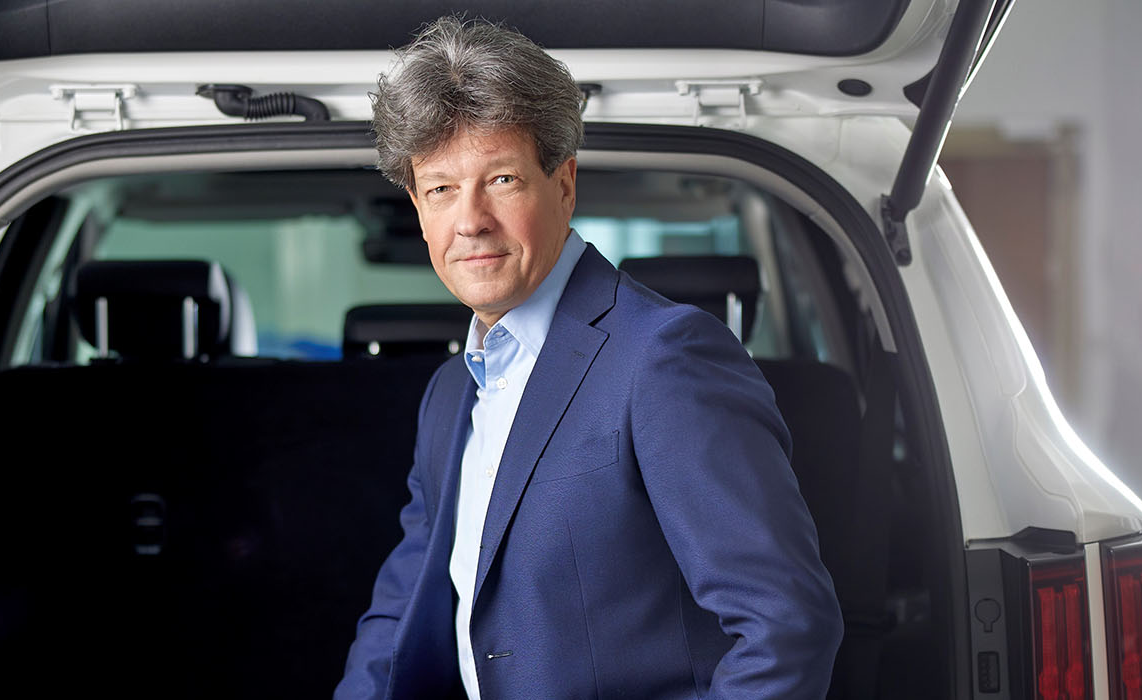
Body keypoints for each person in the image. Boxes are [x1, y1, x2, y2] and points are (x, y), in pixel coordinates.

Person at [334, 16, 844, 700]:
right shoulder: (452, 391)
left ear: (564, 184)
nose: (471, 220)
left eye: (502, 179)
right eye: (441, 189)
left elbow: (785, 627)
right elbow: (401, 609)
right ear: (418, 209)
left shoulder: (664, 359)